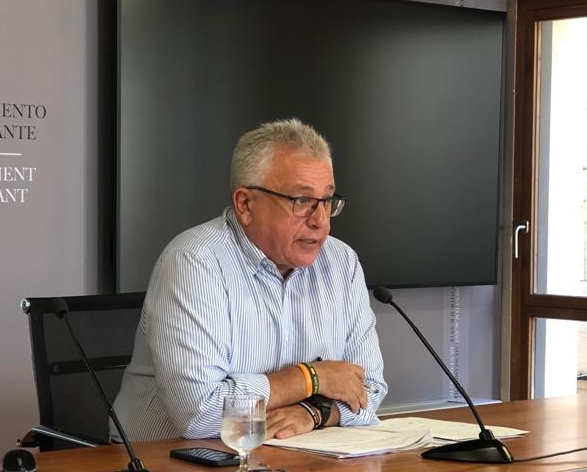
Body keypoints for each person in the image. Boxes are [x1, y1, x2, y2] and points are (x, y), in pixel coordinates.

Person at [114, 118, 386, 441]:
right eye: (301, 202)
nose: (320, 222)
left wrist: (314, 412)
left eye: (326, 201)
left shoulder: (341, 263)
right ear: (245, 204)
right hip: (167, 468)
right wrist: (312, 377)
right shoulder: (194, 262)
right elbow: (201, 414)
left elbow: (370, 389)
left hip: (289, 457)